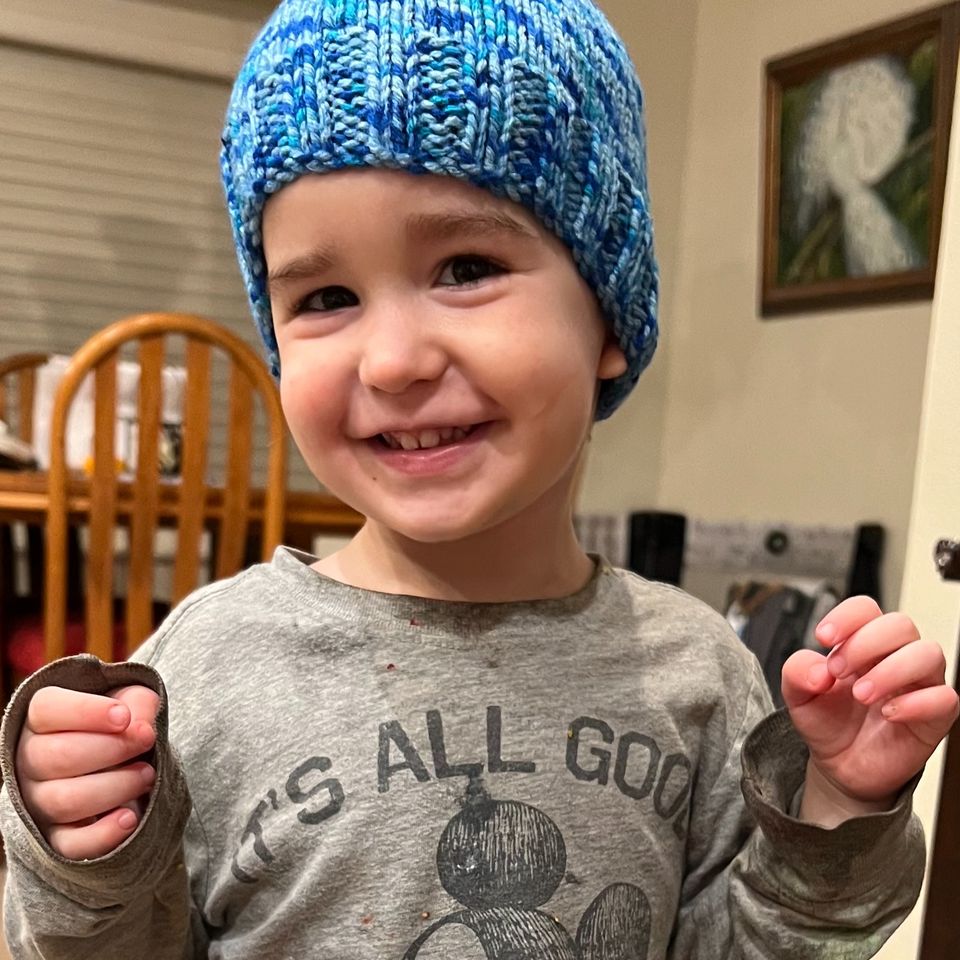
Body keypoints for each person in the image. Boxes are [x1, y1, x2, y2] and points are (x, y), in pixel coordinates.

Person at [0, 0, 956, 957]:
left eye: (464, 269)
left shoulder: (695, 675)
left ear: (610, 319)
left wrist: (838, 807)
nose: (392, 362)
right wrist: (86, 860)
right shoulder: (213, 667)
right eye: (326, 297)